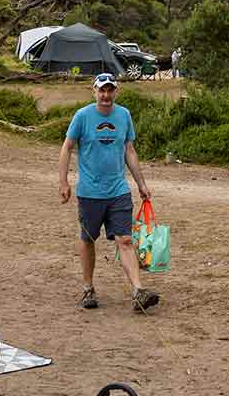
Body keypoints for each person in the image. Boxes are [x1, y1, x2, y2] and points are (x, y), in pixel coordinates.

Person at [59, 72, 159, 312]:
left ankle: (137, 291)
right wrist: (63, 182)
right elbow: (67, 147)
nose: (106, 95)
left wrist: (141, 184)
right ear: (94, 91)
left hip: (118, 191)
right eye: (101, 90)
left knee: (125, 240)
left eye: (110, 90)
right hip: (90, 192)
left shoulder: (124, 115)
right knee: (88, 239)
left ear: (116, 91)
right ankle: (88, 289)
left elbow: (129, 150)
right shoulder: (82, 116)